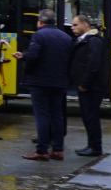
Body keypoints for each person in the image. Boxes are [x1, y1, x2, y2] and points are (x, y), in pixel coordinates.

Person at [22, 9, 73, 161]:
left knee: (42, 115)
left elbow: (33, 57)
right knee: (57, 115)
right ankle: (58, 149)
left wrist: (23, 58)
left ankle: (42, 150)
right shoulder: (65, 37)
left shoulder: (39, 35)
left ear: (40, 21)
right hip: (59, 82)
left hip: (40, 82)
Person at [69, 14, 110, 156]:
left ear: (85, 25)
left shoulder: (93, 41)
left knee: (91, 116)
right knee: (87, 116)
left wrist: (84, 83)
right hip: (87, 85)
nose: (72, 27)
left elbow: (93, 64)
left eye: (75, 25)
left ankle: (95, 147)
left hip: (92, 87)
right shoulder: (84, 40)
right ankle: (91, 145)